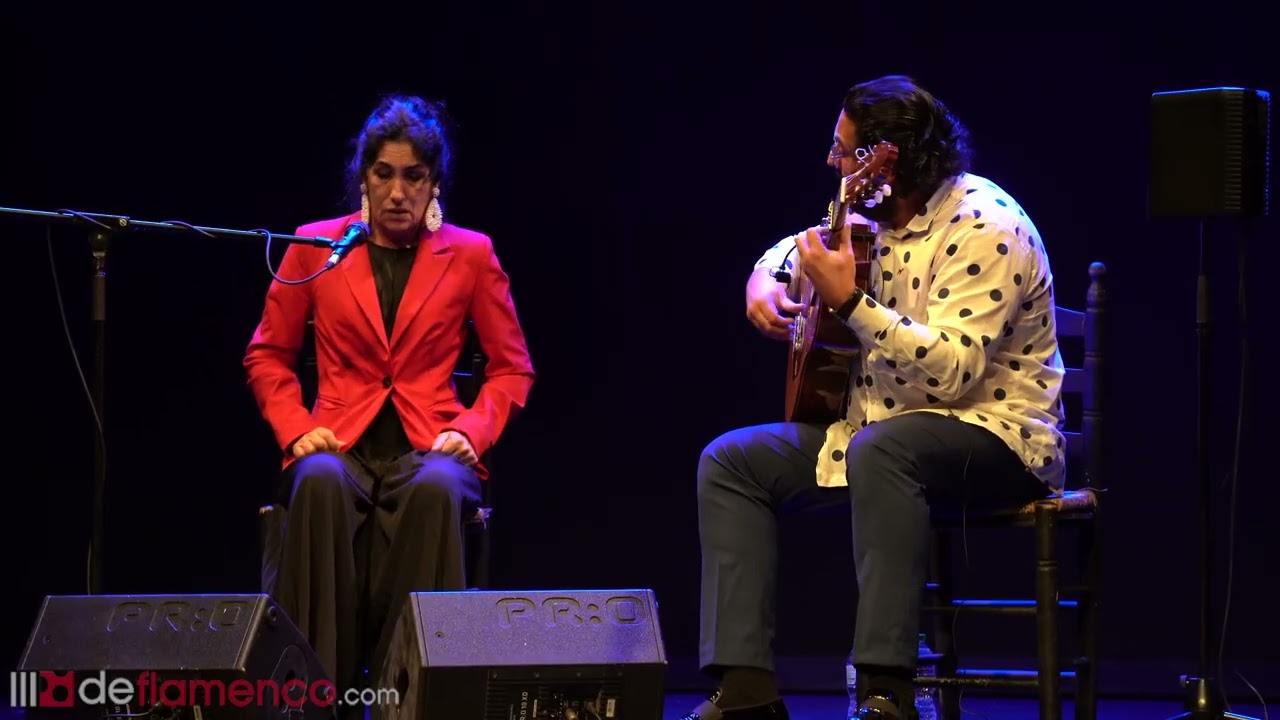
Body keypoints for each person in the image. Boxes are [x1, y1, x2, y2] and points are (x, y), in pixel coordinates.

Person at [682, 75, 1066, 720]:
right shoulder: (869, 218)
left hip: (996, 437)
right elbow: (793, 248)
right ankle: (746, 691)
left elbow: (953, 371)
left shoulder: (986, 224)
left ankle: (887, 690)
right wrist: (764, 278)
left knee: (885, 451)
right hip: (875, 436)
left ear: (886, 157)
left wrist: (850, 305)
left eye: (842, 151)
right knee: (730, 462)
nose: (833, 165)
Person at [243, 94, 535, 702]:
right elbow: (267, 355)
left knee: (436, 487)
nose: (397, 191)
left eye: (413, 176)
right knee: (317, 478)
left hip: (428, 447)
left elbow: (512, 371)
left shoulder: (471, 254)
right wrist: (296, 427)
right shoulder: (315, 246)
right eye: (384, 174)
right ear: (364, 179)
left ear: (433, 185)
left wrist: (473, 432)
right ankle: (318, 697)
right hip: (337, 442)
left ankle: (413, 698)